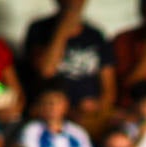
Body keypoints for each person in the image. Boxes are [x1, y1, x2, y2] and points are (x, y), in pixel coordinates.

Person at [23, 0, 115, 134]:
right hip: (52, 110)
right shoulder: (39, 29)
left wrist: (98, 108)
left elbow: (109, 87)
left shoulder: (95, 35)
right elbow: (46, 70)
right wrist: (63, 28)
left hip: (89, 113)